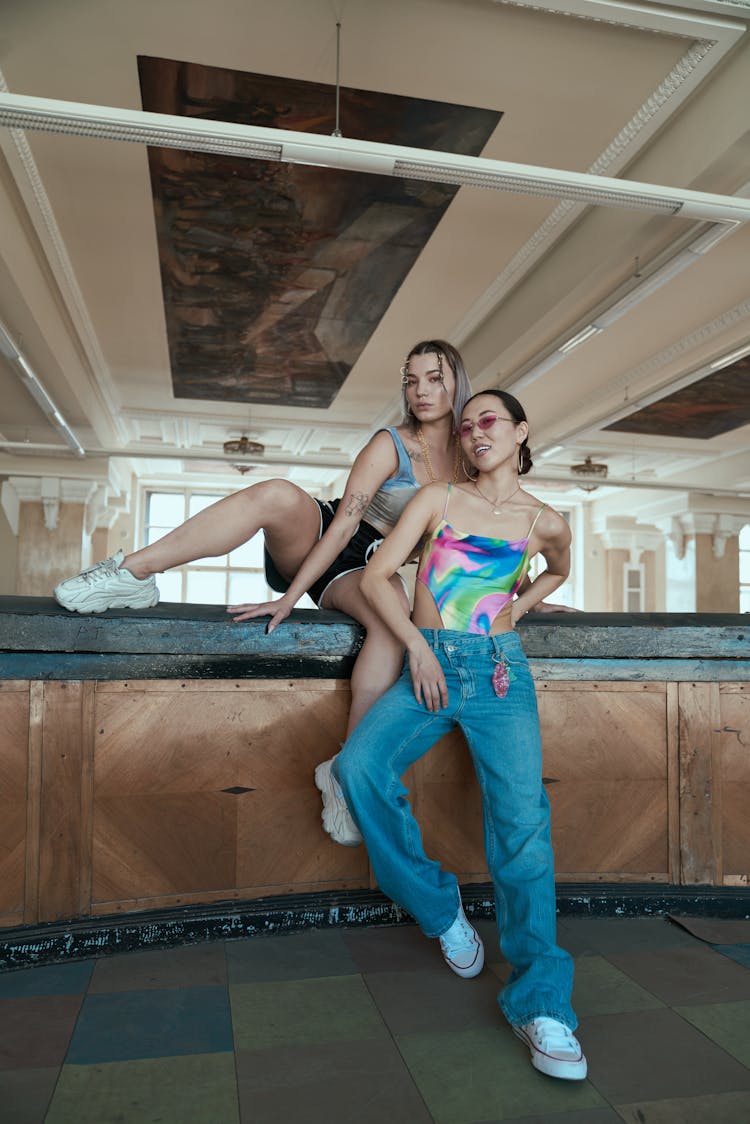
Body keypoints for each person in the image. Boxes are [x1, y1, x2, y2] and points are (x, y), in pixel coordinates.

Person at [325, 388, 587, 1081]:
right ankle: (440, 910)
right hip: (429, 663)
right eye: (467, 425)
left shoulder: (546, 520)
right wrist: (415, 647)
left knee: (523, 830)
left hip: (501, 675)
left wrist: (520, 608)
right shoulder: (436, 499)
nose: (475, 432)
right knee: (357, 769)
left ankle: (543, 1007)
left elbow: (560, 568)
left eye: (489, 420)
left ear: (521, 430)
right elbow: (380, 576)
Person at [53, 339, 472, 745]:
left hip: (366, 566)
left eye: (434, 378)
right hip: (324, 532)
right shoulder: (391, 443)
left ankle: (349, 769)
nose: (420, 390)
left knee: (391, 618)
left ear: (457, 381)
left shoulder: (469, 461)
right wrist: (289, 599)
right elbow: (344, 525)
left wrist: (528, 595)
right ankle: (132, 572)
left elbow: (486, 542)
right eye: (411, 380)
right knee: (275, 492)